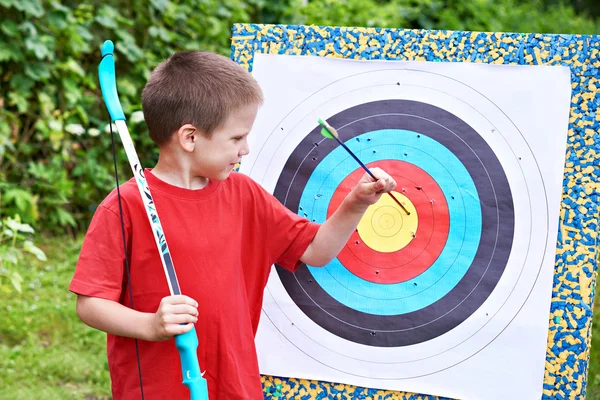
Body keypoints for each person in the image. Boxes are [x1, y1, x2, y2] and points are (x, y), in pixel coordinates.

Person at [70, 50, 396, 399]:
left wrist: (356, 202)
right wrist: (149, 325)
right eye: (237, 138)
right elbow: (90, 304)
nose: (246, 149)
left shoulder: (243, 195)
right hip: (156, 389)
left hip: (234, 386)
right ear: (190, 138)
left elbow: (315, 250)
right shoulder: (125, 206)